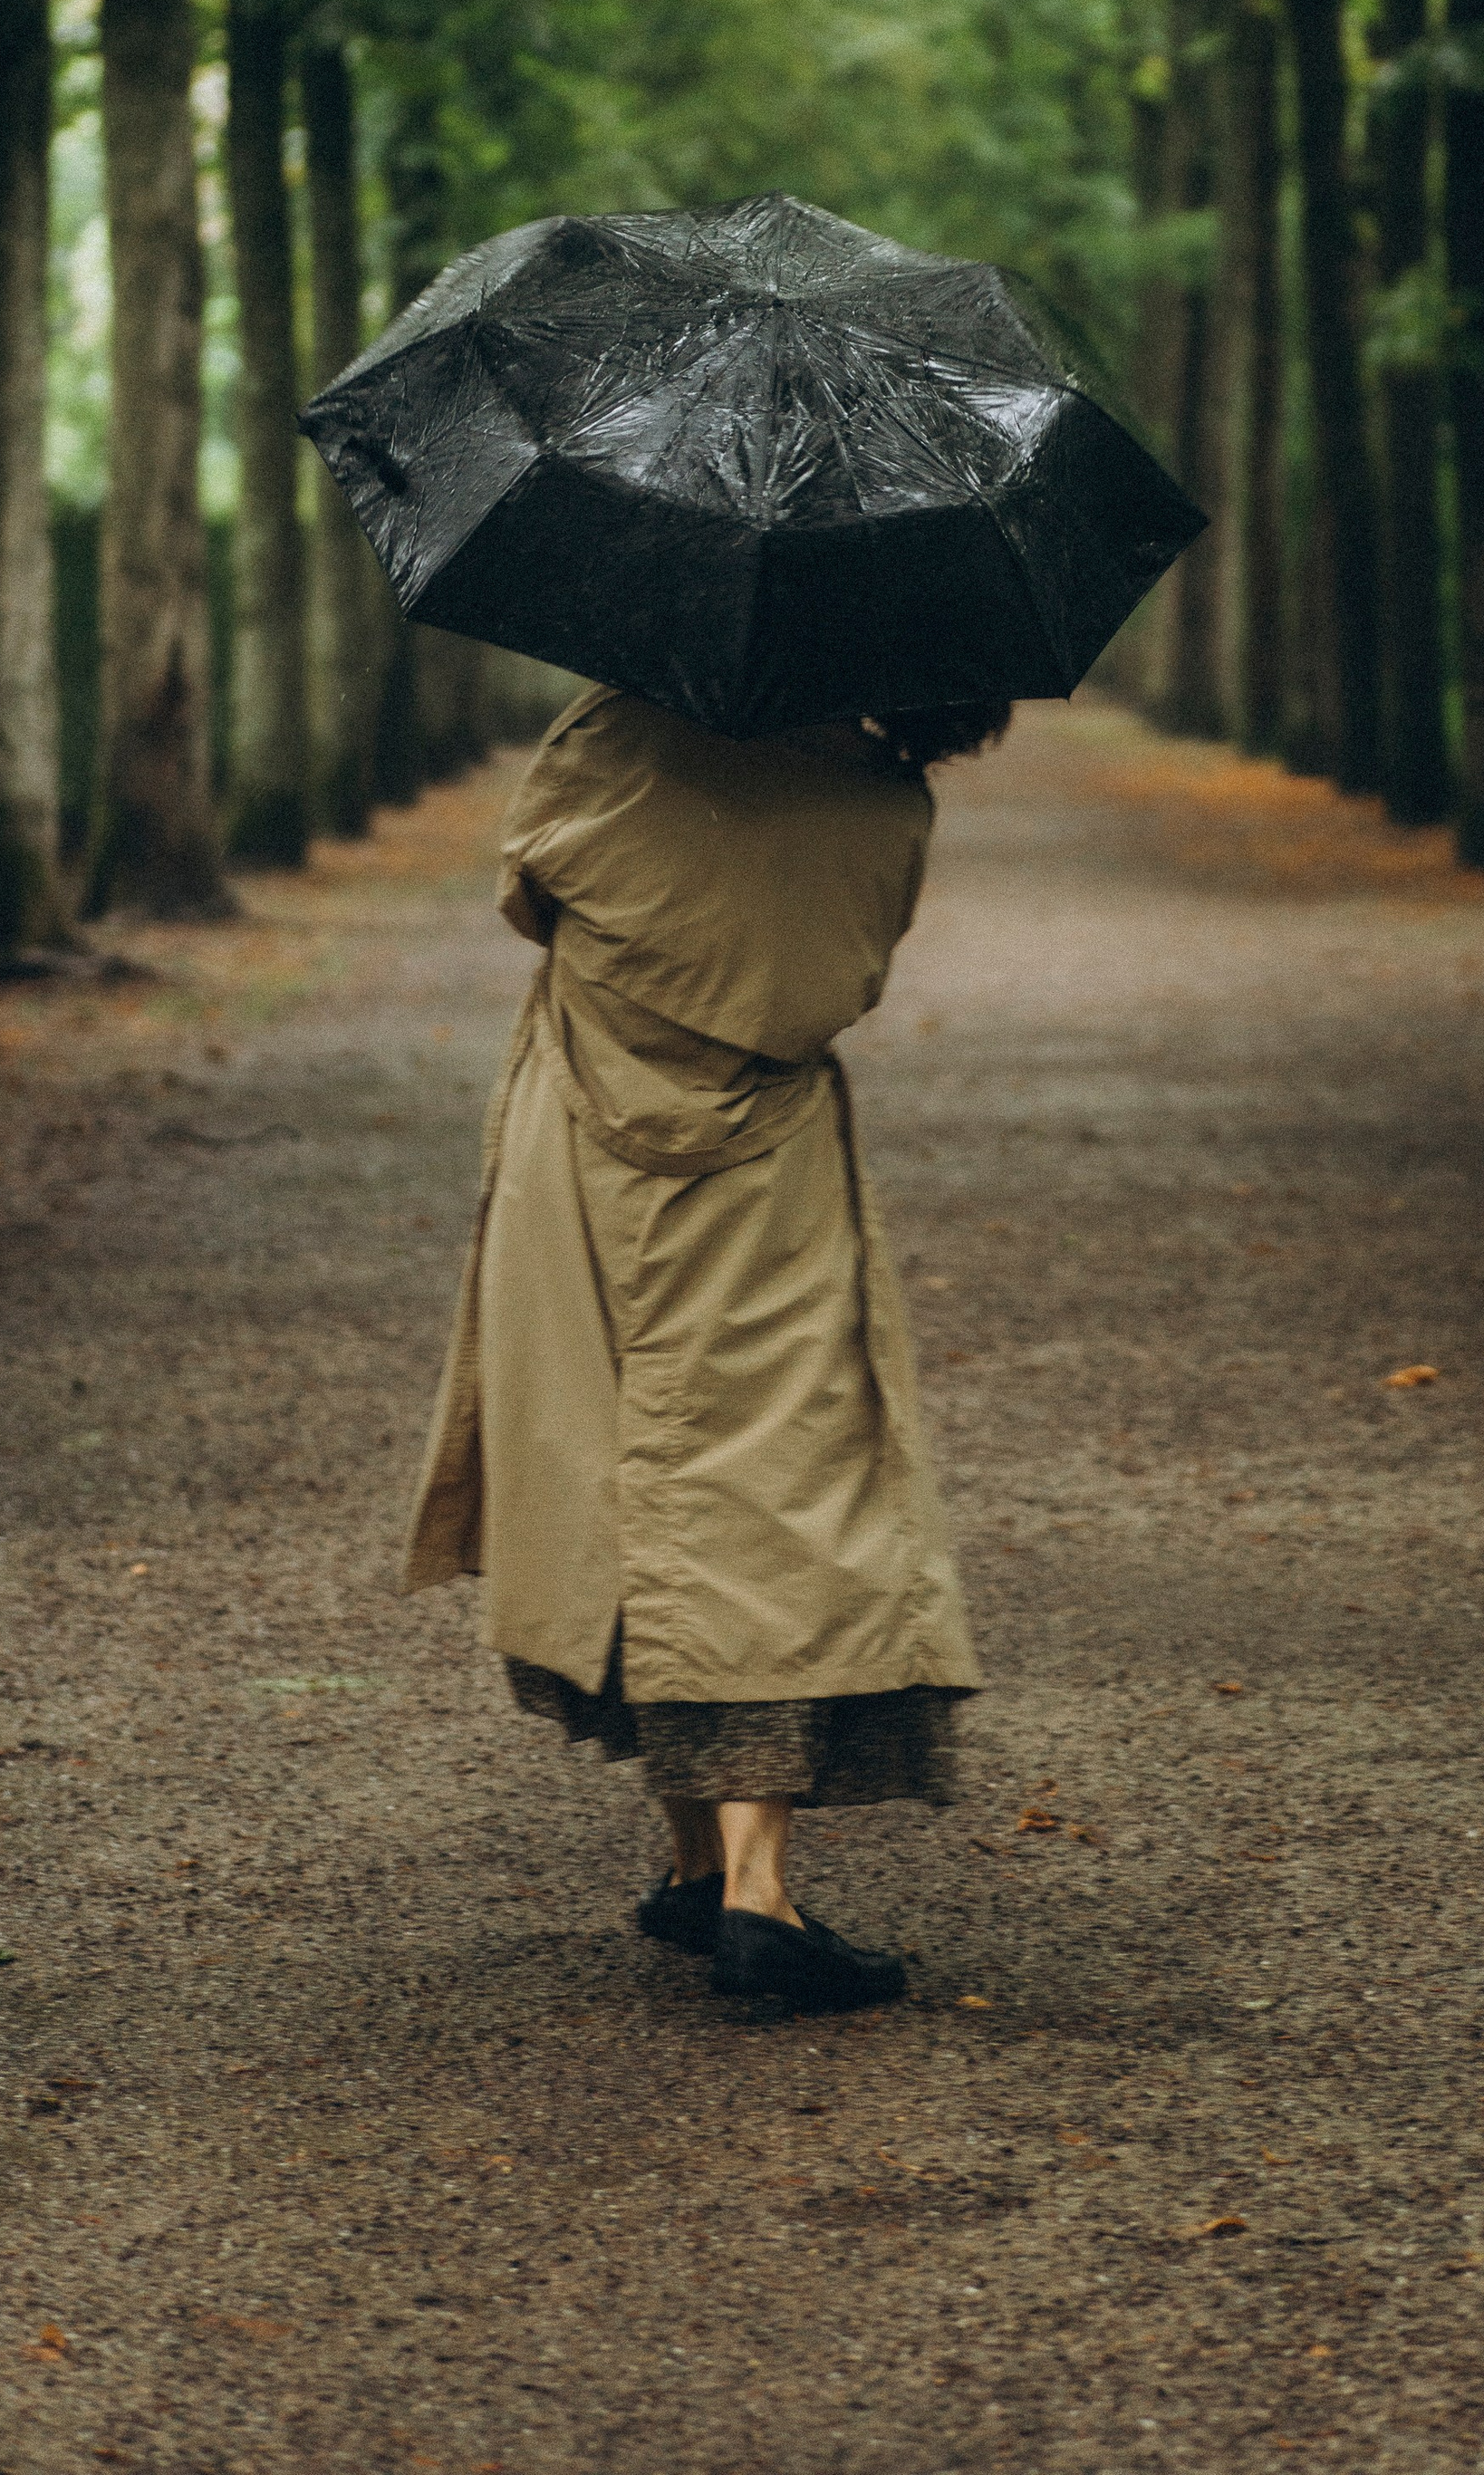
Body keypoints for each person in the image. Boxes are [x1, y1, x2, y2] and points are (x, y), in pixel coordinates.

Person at [403, 679, 1003, 2019]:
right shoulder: (878, 796)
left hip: (581, 1139)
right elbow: (847, 973)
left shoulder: (612, 737)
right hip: (765, 1175)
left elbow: (529, 891)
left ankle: (693, 1862)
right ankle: (752, 1888)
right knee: (777, 1492)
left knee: (614, 1466)